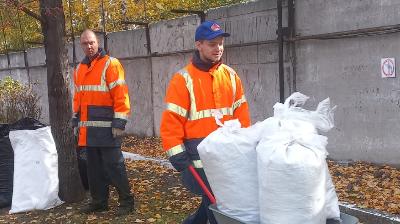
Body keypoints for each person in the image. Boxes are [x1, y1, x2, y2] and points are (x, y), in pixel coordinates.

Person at [160, 21, 251, 224]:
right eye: (212, 44)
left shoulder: (230, 75)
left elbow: (242, 113)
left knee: (216, 202)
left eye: (220, 43)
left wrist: (246, 143)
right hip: (198, 157)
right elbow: (171, 121)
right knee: (217, 204)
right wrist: (177, 154)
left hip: (228, 155)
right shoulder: (183, 79)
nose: (218, 48)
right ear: (198, 45)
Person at [71, 29, 134, 216]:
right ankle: (99, 202)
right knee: (94, 169)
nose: (89, 46)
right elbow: (78, 98)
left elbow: (121, 95)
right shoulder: (80, 69)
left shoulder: (111, 64)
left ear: (97, 42)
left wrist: (119, 123)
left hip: (108, 128)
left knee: (115, 166)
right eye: (85, 43)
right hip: (88, 130)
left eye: (91, 42)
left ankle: (127, 202)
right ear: (81, 45)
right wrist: (76, 119)